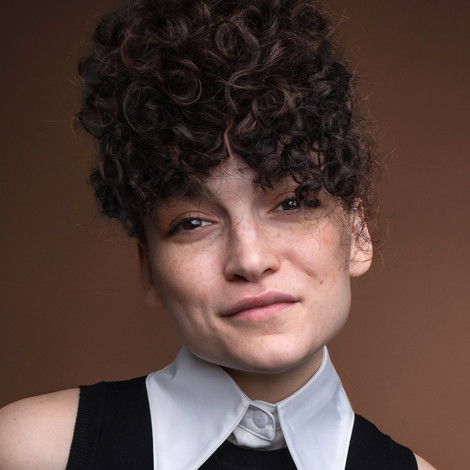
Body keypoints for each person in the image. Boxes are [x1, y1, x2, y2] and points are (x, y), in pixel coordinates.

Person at [0, 0, 436, 468]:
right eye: (192, 223)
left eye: (292, 203)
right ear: (149, 268)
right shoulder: (32, 451)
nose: (250, 260)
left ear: (358, 233)